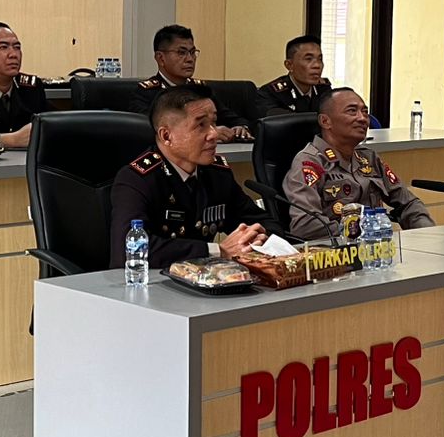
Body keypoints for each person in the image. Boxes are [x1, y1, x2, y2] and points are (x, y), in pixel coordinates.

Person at [110, 84, 273, 268]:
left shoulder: (216, 173)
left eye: (214, 123)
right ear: (166, 136)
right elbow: (128, 250)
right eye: (201, 125)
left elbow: (262, 222)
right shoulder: (137, 179)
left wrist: (255, 238)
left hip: (205, 280)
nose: (213, 134)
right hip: (149, 283)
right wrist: (217, 251)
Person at [281, 87, 435, 240]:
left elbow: (408, 203)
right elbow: (305, 225)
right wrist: (360, 230)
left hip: (376, 249)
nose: (362, 119)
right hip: (336, 251)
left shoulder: (368, 158)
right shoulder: (310, 163)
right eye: (352, 111)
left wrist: (428, 235)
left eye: (365, 112)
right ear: (325, 121)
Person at [129, 24, 252, 142]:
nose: (190, 59)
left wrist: (241, 128)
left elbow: (233, 118)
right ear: (161, 58)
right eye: (181, 53)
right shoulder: (146, 93)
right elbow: (151, 129)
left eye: (192, 52)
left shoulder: (199, 90)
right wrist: (207, 131)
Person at [256, 35, 333, 117]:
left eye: (320, 59)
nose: (317, 65)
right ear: (289, 65)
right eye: (308, 59)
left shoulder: (323, 90)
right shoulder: (271, 93)